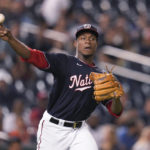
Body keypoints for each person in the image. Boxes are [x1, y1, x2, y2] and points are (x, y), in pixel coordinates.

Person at [0, 23, 123, 150]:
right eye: (83, 38)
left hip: (79, 130)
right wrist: (11, 39)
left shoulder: (102, 76)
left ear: (96, 44)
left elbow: (116, 111)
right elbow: (31, 55)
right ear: (75, 43)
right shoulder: (64, 62)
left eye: (92, 39)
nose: (88, 42)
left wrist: (116, 98)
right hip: (54, 128)